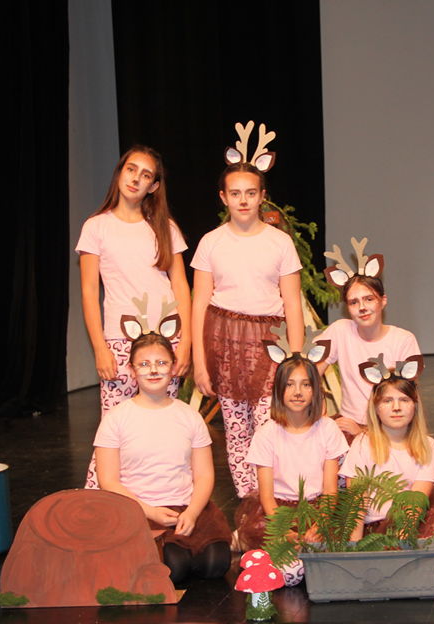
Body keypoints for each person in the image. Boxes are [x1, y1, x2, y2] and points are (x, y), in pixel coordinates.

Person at [190, 121, 305, 498]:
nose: (243, 200)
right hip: (224, 343)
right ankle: (249, 500)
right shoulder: (211, 242)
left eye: (250, 193)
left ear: (262, 196)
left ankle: (275, 498)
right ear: (223, 197)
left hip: (270, 344)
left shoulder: (279, 242)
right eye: (235, 193)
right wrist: (200, 362)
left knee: (269, 424)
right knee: (236, 427)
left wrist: (296, 359)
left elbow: (292, 303)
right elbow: (199, 304)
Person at [76, 145, 190, 488]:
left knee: (160, 425)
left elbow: (181, 287)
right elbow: (88, 293)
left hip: (166, 340)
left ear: (153, 186)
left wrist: (185, 345)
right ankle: (100, 502)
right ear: (120, 172)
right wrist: (100, 348)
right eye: (131, 169)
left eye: (146, 175)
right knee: (115, 428)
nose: (136, 179)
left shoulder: (164, 227)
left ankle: (156, 496)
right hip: (120, 340)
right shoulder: (96, 227)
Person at [94, 331, 231, 584]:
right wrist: (150, 512)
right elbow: (108, 481)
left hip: (184, 508)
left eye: (161, 362)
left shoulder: (189, 417)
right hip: (139, 510)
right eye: (144, 364)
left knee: (216, 564)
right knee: (174, 569)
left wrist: (192, 512)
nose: (153, 370)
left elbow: (204, 475)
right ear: (132, 370)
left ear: (173, 366)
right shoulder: (116, 419)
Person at [340, 355, 434, 541]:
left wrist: (404, 542)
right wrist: (354, 547)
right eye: (387, 401)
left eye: (404, 400)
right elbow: (357, 502)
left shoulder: (428, 445)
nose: (396, 407)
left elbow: (416, 500)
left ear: (415, 406)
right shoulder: (363, 443)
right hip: (375, 528)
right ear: (376, 407)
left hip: (413, 521)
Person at [234, 352, 349, 559]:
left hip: (317, 508)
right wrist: (283, 530)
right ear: (279, 390)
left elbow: (330, 491)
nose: (297, 392)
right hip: (278, 510)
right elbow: (267, 497)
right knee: (269, 543)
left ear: (315, 390)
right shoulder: (267, 433)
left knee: (333, 542)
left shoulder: (328, 428)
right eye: (289, 385)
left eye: (306, 385)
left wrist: (318, 525)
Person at [317, 238, 420, 440]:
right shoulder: (340, 331)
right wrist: (320, 410)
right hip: (349, 426)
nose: (362, 307)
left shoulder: (403, 340)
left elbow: (405, 398)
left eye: (369, 299)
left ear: (383, 301)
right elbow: (309, 372)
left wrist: (365, 432)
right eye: (354, 302)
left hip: (390, 430)